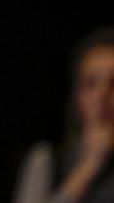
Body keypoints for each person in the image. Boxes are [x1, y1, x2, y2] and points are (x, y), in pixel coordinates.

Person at [13, 27, 114, 203]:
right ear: (77, 95)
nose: (101, 96)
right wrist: (88, 167)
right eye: (90, 83)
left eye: (113, 83)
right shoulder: (48, 158)